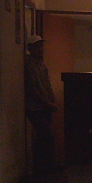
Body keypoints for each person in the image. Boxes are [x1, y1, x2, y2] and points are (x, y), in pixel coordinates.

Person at [24, 35, 59, 174]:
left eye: (41, 46)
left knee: (43, 136)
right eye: (37, 46)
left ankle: (45, 167)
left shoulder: (41, 65)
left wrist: (51, 99)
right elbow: (32, 88)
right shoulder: (29, 65)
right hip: (35, 107)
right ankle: (44, 167)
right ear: (30, 48)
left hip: (45, 106)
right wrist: (46, 102)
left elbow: (46, 84)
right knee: (45, 136)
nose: (40, 49)